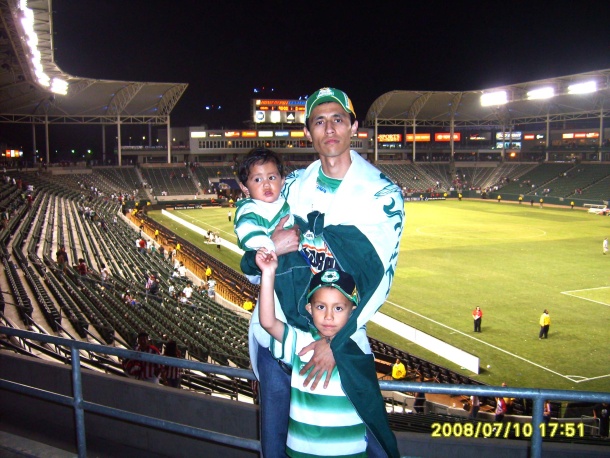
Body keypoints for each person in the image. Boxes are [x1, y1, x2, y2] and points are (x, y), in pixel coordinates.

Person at [241, 87, 404, 458]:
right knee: (277, 448)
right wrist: (268, 249)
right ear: (308, 132)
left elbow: (379, 282)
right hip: (279, 341)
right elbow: (256, 261)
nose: (329, 129)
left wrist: (336, 341)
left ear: (353, 127)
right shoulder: (292, 187)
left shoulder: (383, 194)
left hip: (338, 344)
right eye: (319, 121)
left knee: (367, 442)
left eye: (337, 120)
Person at [256, 247, 382, 457]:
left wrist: (334, 343)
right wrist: (268, 274)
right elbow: (268, 322)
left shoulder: (357, 346)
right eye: (321, 307)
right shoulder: (300, 342)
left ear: (353, 312)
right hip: (302, 453)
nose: (329, 317)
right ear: (309, 309)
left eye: (338, 308)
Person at [234, 148, 292, 254]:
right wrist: (270, 247)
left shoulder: (283, 200)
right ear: (245, 188)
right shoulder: (250, 209)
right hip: (274, 262)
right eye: (257, 180)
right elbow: (246, 229)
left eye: (272, 177)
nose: (266, 184)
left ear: (282, 181)